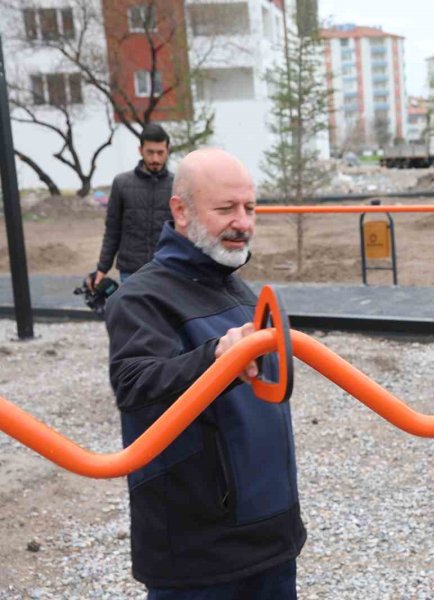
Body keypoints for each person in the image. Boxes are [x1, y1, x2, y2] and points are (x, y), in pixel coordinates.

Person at [104, 148, 305, 598]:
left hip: (271, 540)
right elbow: (135, 385)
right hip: (201, 556)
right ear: (181, 211)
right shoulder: (142, 299)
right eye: (226, 208)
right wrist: (217, 356)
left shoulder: (237, 288)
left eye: (250, 207)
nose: (243, 222)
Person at [92, 123, 174, 290]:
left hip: (168, 270)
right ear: (140, 150)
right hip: (131, 271)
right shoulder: (121, 183)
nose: (155, 159)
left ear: (168, 151)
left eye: (160, 152)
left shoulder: (178, 185)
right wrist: (102, 268)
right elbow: (112, 230)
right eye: (150, 152)